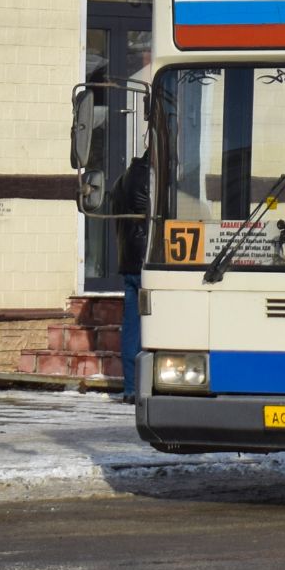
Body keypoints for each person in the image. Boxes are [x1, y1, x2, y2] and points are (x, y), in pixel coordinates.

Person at [112, 152, 152, 405]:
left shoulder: (120, 181)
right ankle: (144, 385)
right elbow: (152, 216)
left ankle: (130, 387)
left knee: (132, 328)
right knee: (147, 329)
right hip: (146, 264)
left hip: (128, 263)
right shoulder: (147, 178)